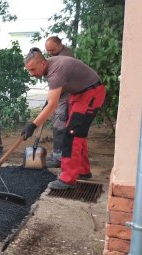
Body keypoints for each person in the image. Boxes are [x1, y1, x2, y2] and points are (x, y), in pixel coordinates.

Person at [22, 49, 105, 190]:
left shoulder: (55, 72)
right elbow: (51, 100)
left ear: (43, 63)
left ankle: (68, 179)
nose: (31, 73)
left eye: (33, 69)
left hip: (90, 94)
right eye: (29, 70)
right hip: (79, 94)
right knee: (77, 134)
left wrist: (33, 125)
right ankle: (82, 171)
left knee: (71, 135)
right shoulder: (51, 66)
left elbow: (52, 105)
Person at [44, 36, 75, 168]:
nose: (50, 53)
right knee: (57, 123)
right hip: (60, 93)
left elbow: (60, 84)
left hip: (66, 94)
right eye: (48, 51)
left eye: (52, 49)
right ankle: (58, 153)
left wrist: (51, 101)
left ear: (60, 45)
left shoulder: (65, 56)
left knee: (60, 123)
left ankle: (59, 158)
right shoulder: (58, 54)